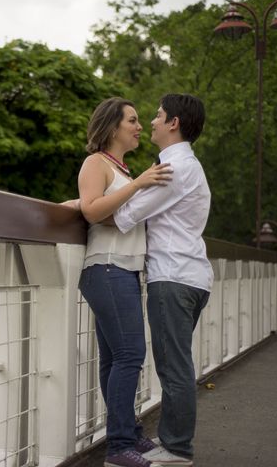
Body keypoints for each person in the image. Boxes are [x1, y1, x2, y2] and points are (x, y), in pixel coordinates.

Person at [67, 97, 173, 467]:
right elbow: (93, 208)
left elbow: (110, 210)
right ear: (113, 126)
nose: (140, 126)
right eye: (133, 120)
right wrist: (141, 182)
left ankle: (126, 435)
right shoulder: (95, 162)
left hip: (123, 270)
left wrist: (135, 183)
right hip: (106, 268)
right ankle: (118, 446)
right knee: (131, 354)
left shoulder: (121, 170)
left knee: (115, 358)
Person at [112, 93, 213, 467]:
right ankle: (173, 439)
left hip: (172, 276)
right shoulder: (188, 165)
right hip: (189, 275)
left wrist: (84, 205)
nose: (151, 122)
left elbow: (126, 216)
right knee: (176, 364)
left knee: (173, 366)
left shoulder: (172, 168)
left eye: (156, 115)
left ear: (173, 123)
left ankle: (177, 448)